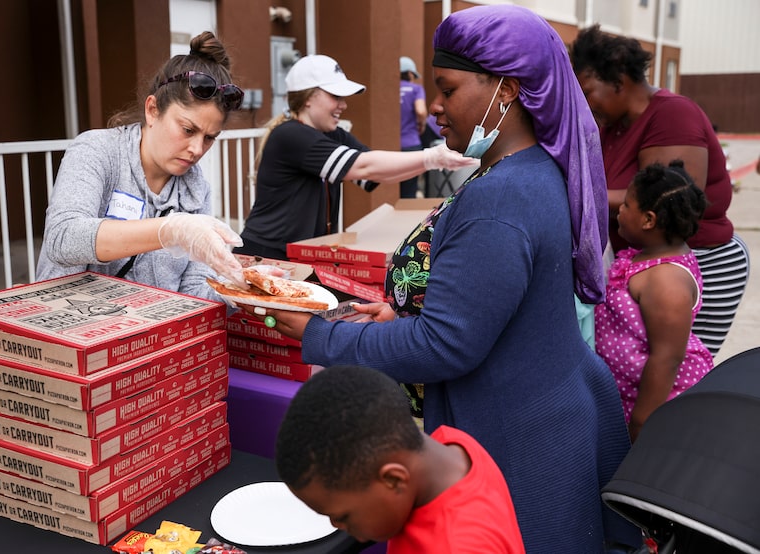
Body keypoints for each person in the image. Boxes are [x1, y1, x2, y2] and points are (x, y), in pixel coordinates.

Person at [244, 6, 641, 552]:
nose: (434, 107)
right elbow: (483, 302)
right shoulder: (527, 170)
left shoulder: (501, 197)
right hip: (542, 403)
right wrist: (405, 314)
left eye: (447, 89)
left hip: (515, 431)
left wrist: (320, 334)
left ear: (505, 90)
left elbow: (448, 343)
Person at [570, 24, 750, 358]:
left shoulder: (671, 114)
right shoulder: (614, 126)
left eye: (588, 90)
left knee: (672, 374)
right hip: (647, 268)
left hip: (697, 263)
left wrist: (574, 194)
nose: (583, 102)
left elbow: (667, 198)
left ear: (619, 81)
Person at [36, 31, 247, 302]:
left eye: (209, 138)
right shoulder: (98, 151)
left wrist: (241, 294)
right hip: (69, 321)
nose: (197, 149)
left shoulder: (195, 189)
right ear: (152, 110)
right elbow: (63, 238)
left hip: (147, 334)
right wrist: (169, 231)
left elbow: (193, 291)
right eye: (187, 129)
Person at [234, 54, 475, 260]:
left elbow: (378, 171)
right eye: (335, 96)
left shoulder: (333, 135)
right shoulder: (290, 134)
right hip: (266, 255)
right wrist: (432, 158)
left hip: (302, 255)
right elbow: (365, 167)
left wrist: (438, 160)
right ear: (308, 97)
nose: (343, 105)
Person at [275, 364, 526, 553]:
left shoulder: (458, 545)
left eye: (343, 516)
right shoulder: (453, 447)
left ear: (394, 479)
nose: (336, 525)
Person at [596, 161, 714, 443]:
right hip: (628, 392)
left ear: (649, 220)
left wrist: (642, 421)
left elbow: (667, 358)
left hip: (656, 402)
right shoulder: (646, 255)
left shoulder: (666, 280)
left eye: (626, 205)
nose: (619, 211)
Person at [399, 56, 428, 198]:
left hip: (392, 147)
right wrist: (421, 125)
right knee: (409, 191)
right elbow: (421, 110)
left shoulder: (391, 89)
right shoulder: (416, 89)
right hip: (411, 144)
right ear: (410, 73)